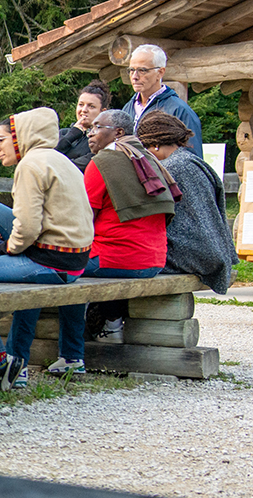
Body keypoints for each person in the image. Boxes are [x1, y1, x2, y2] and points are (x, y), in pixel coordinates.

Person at [0, 107, 94, 393]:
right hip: (74, 258)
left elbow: (28, 228)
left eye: (1, 140)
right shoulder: (58, 159)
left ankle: (3, 362)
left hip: (52, 262)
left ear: (20, 137)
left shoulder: (30, 165)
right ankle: (18, 362)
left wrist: (7, 248)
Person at [76, 109, 177, 349]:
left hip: (115, 259)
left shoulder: (101, 162)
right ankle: (112, 326)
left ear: (118, 132)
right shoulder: (149, 160)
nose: (90, 134)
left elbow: (83, 219)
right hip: (154, 261)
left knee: (61, 266)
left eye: (97, 128)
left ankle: (71, 349)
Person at [140, 111, 238, 294]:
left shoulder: (170, 168)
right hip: (214, 250)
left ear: (154, 145)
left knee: (132, 259)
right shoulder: (191, 160)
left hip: (197, 253)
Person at [122, 44, 203, 157]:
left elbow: (192, 161)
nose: (134, 76)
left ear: (160, 72)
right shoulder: (127, 108)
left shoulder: (179, 110)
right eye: (131, 70)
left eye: (142, 70)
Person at [57, 80, 110, 172]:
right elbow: (46, 157)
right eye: (81, 104)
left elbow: (76, 167)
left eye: (91, 106)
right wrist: (72, 135)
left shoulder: (101, 141)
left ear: (103, 111)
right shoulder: (63, 133)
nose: (84, 110)